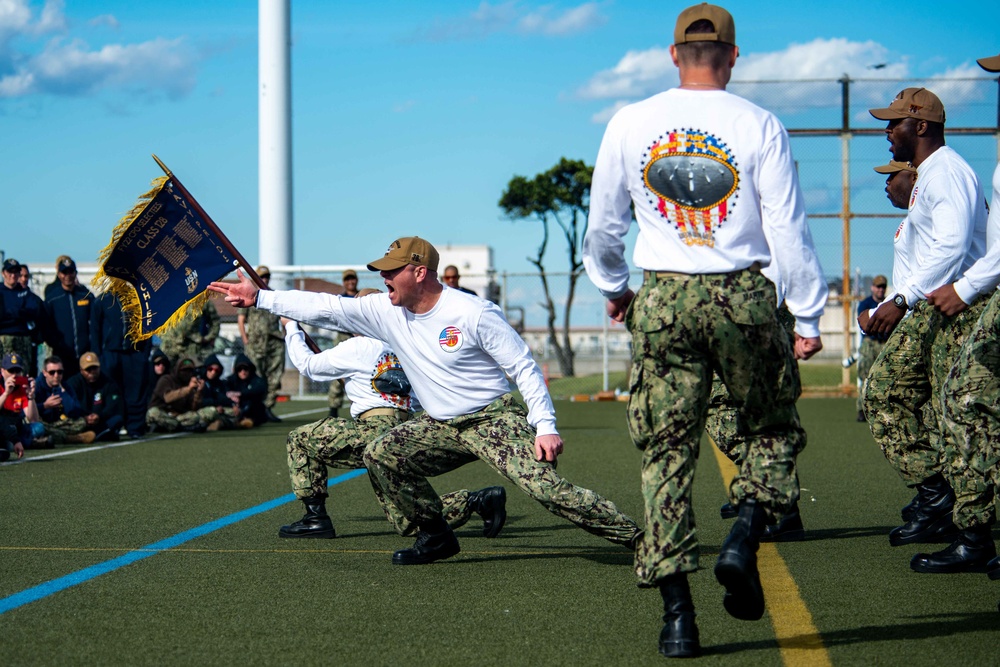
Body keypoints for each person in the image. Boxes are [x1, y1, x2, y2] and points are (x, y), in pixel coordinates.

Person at [581, 4, 827, 657]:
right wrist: (805, 312)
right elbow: (787, 228)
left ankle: (678, 618)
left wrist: (615, 289)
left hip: (662, 292)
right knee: (770, 427)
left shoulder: (631, 122)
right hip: (743, 291)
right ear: (734, 56)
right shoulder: (758, 123)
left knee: (665, 452)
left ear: (672, 54)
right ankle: (745, 534)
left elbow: (603, 226)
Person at [210, 235, 640, 565]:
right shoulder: (385, 310)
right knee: (380, 452)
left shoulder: (472, 312)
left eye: (391, 270)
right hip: (439, 424)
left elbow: (523, 365)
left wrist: (544, 425)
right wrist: (261, 298)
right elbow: (327, 307)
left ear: (419, 272)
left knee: (547, 491)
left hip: (491, 419)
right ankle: (436, 535)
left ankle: (641, 539)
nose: (383, 278)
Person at [860, 87, 990, 557]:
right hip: (939, 306)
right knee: (939, 411)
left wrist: (900, 299)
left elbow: (952, 248)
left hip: (955, 306)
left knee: (899, 398)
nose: (887, 133)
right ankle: (945, 502)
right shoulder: (938, 173)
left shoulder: (945, 171)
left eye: (894, 123)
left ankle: (950, 504)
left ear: (920, 125)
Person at [278, 288, 506, 540]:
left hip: (373, 429)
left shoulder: (358, 346)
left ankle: (315, 518)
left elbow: (308, 366)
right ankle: (476, 501)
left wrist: (291, 328)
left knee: (299, 439)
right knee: (406, 520)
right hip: (404, 433)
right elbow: (417, 399)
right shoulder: (406, 347)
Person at [916, 51, 1000, 579]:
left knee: (965, 398)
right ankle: (962, 522)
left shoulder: (947, 170)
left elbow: (952, 243)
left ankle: (960, 519)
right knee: (960, 398)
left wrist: (964, 288)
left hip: (972, 294)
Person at [90, 291, 152, 438]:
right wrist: (98, 355)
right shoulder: (101, 301)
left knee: (135, 392)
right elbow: (94, 330)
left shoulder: (138, 299)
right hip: (110, 353)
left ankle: (135, 428)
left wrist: (144, 354)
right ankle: (112, 427)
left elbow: (148, 325)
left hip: (134, 353)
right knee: (112, 393)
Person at [237, 266, 284, 423]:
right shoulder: (250, 294)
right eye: (261, 277)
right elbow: (241, 319)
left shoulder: (274, 295)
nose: (264, 279)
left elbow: (283, 316)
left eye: (266, 277)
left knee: (274, 378)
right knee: (257, 378)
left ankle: (268, 408)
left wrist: (285, 334)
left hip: (274, 343)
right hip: (256, 344)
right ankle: (256, 409)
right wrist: (245, 339)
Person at [44, 257, 93, 378]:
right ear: (59, 274)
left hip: (84, 355)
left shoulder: (86, 296)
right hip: (62, 356)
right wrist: (57, 343)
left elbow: (95, 323)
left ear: (75, 273)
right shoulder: (52, 299)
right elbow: (46, 327)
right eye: (64, 272)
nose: (68, 276)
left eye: (71, 272)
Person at [146, 356, 221, 433]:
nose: (187, 373)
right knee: (153, 412)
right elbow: (168, 398)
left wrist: (198, 392)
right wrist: (188, 389)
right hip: (164, 413)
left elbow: (193, 408)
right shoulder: (166, 380)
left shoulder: (190, 383)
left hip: (180, 416)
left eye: (190, 371)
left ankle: (175, 426)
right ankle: (178, 426)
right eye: (184, 370)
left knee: (211, 411)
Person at [34, 355, 96, 445]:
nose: (56, 375)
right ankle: (72, 438)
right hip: (43, 422)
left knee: (81, 422)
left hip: (58, 423)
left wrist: (63, 393)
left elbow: (75, 410)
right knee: (38, 427)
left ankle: (59, 436)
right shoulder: (37, 386)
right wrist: (45, 405)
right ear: (44, 373)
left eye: (60, 372)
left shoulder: (65, 386)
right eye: (52, 372)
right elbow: (27, 411)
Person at [1, 258, 46, 377]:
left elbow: (33, 311)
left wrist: (12, 313)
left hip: (23, 339)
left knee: (22, 374)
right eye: (10, 272)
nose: (13, 275)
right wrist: (17, 313)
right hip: (3, 339)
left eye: (16, 272)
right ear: (3, 273)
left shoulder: (25, 292)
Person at [65, 352, 124, 442]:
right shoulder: (73, 383)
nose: (92, 372)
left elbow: (112, 405)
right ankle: (101, 435)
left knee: (118, 419)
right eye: (88, 370)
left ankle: (96, 435)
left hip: (100, 420)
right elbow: (70, 405)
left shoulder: (108, 383)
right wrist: (84, 417)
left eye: (94, 368)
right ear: (81, 370)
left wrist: (99, 416)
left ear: (99, 367)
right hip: (81, 420)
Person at [855, 274, 890, 421]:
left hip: (885, 343)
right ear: (872, 288)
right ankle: (862, 409)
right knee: (865, 377)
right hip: (870, 343)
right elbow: (866, 324)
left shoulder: (890, 303)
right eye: (878, 287)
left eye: (883, 287)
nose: (880, 290)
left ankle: (881, 410)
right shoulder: (865, 304)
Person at [327, 269, 360, 418]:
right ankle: (333, 408)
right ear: (344, 282)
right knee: (338, 372)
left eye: (352, 279)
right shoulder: (340, 299)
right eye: (347, 280)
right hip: (343, 337)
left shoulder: (362, 297)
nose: (350, 282)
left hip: (360, 339)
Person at [200, 353, 253, 431]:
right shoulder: (200, 382)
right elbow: (199, 401)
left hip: (218, 407)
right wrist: (215, 405)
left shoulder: (219, 383)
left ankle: (221, 422)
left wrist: (233, 405)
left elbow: (222, 397)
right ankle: (225, 423)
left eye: (216, 370)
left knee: (235, 412)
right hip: (203, 408)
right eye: (210, 369)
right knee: (213, 412)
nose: (213, 372)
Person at [158, 300, 220, 366]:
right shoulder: (168, 298)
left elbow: (215, 321)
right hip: (170, 346)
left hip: (191, 347)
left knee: (190, 370)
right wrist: (164, 336)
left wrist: (208, 338)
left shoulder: (202, 299)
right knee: (167, 371)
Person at [0, 352, 36, 460]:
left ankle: (12, 443)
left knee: (38, 428)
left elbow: (33, 419)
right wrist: (6, 393)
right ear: (2, 371)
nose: (14, 375)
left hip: (14, 425)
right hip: (3, 424)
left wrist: (31, 397)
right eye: (10, 371)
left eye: (17, 371)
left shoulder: (22, 387)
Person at [225, 354, 268, 427]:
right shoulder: (230, 380)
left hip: (251, 408)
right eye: (239, 369)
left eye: (245, 369)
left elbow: (260, 389)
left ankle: (247, 420)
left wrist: (240, 394)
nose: (243, 372)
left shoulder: (256, 380)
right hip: (234, 407)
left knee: (258, 405)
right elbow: (224, 393)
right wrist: (232, 400)